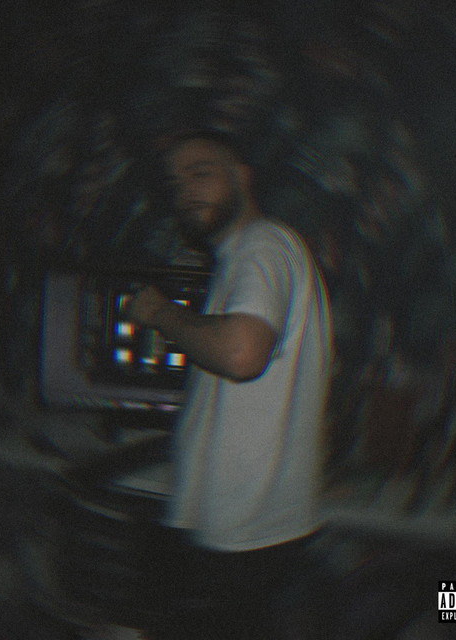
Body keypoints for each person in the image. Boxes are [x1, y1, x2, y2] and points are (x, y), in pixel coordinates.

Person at [128, 131, 333, 638]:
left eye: (201, 172)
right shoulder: (246, 256)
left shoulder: (262, 244)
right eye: (177, 184)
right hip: (244, 531)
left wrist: (159, 313)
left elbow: (241, 355)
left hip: (244, 538)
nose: (186, 192)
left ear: (242, 175)